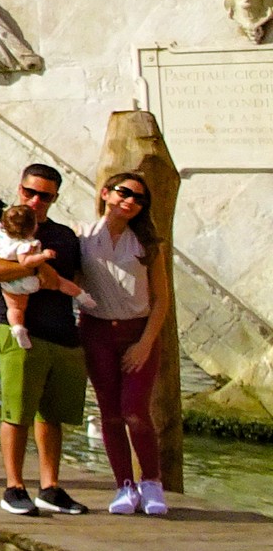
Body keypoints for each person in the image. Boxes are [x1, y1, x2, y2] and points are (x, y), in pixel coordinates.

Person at [0, 160, 90, 516]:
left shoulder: (65, 236)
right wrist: (35, 266)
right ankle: (14, 486)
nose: (36, 200)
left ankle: (50, 487)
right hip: (20, 332)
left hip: (62, 330)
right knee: (16, 412)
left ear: (54, 199)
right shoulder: (3, 228)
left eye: (45, 196)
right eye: (30, 192)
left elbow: (74, 280)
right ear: (19, 189)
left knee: (52, 416)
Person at [78, 171, 173, 515]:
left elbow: (161, 300)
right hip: (97, 331)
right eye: (124, 193)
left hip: (136, 332)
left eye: (138, 199)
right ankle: (124, 486)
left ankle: (151, 481)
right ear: (105, 193)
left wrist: (146, 342)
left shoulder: (147, 245)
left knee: (135, 411)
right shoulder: (83, 237)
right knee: (110, 414)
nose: (130, 201)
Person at [0, 200, 53, 349]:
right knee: (58, 283)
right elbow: (26, 261)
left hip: (10, 282)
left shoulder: (0, 236)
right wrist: (43, 257)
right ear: (34, 227)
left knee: (15, 308)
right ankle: (80, 294)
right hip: (29, 280)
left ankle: (17, 327)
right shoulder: (27, 244)